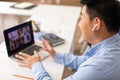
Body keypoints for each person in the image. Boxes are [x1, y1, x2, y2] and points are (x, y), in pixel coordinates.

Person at [15, 0, 120, 80]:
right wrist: (56, 55)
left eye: (82, 17)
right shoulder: (113, 45)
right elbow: (87, 61)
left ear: (96, 23)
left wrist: (36, 65)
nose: (79, 24)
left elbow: (93, 65)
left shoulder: (98, 68)